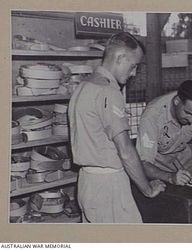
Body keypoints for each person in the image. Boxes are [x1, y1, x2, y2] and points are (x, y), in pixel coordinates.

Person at [68, 32, 166, 223]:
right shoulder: (108, 92)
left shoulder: (83, 87)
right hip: (108, 185)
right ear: (120, 57)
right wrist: (147, 189)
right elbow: (126, 151)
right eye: (133, 66)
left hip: (87, 181)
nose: (134, 73)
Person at [136, 80, 192, 186]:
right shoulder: (152, 116)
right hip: (157, 162)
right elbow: (143, 164)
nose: (191, 120)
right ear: (177, 101)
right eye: (187, 113)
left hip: (182, 155)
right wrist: (170, 177)